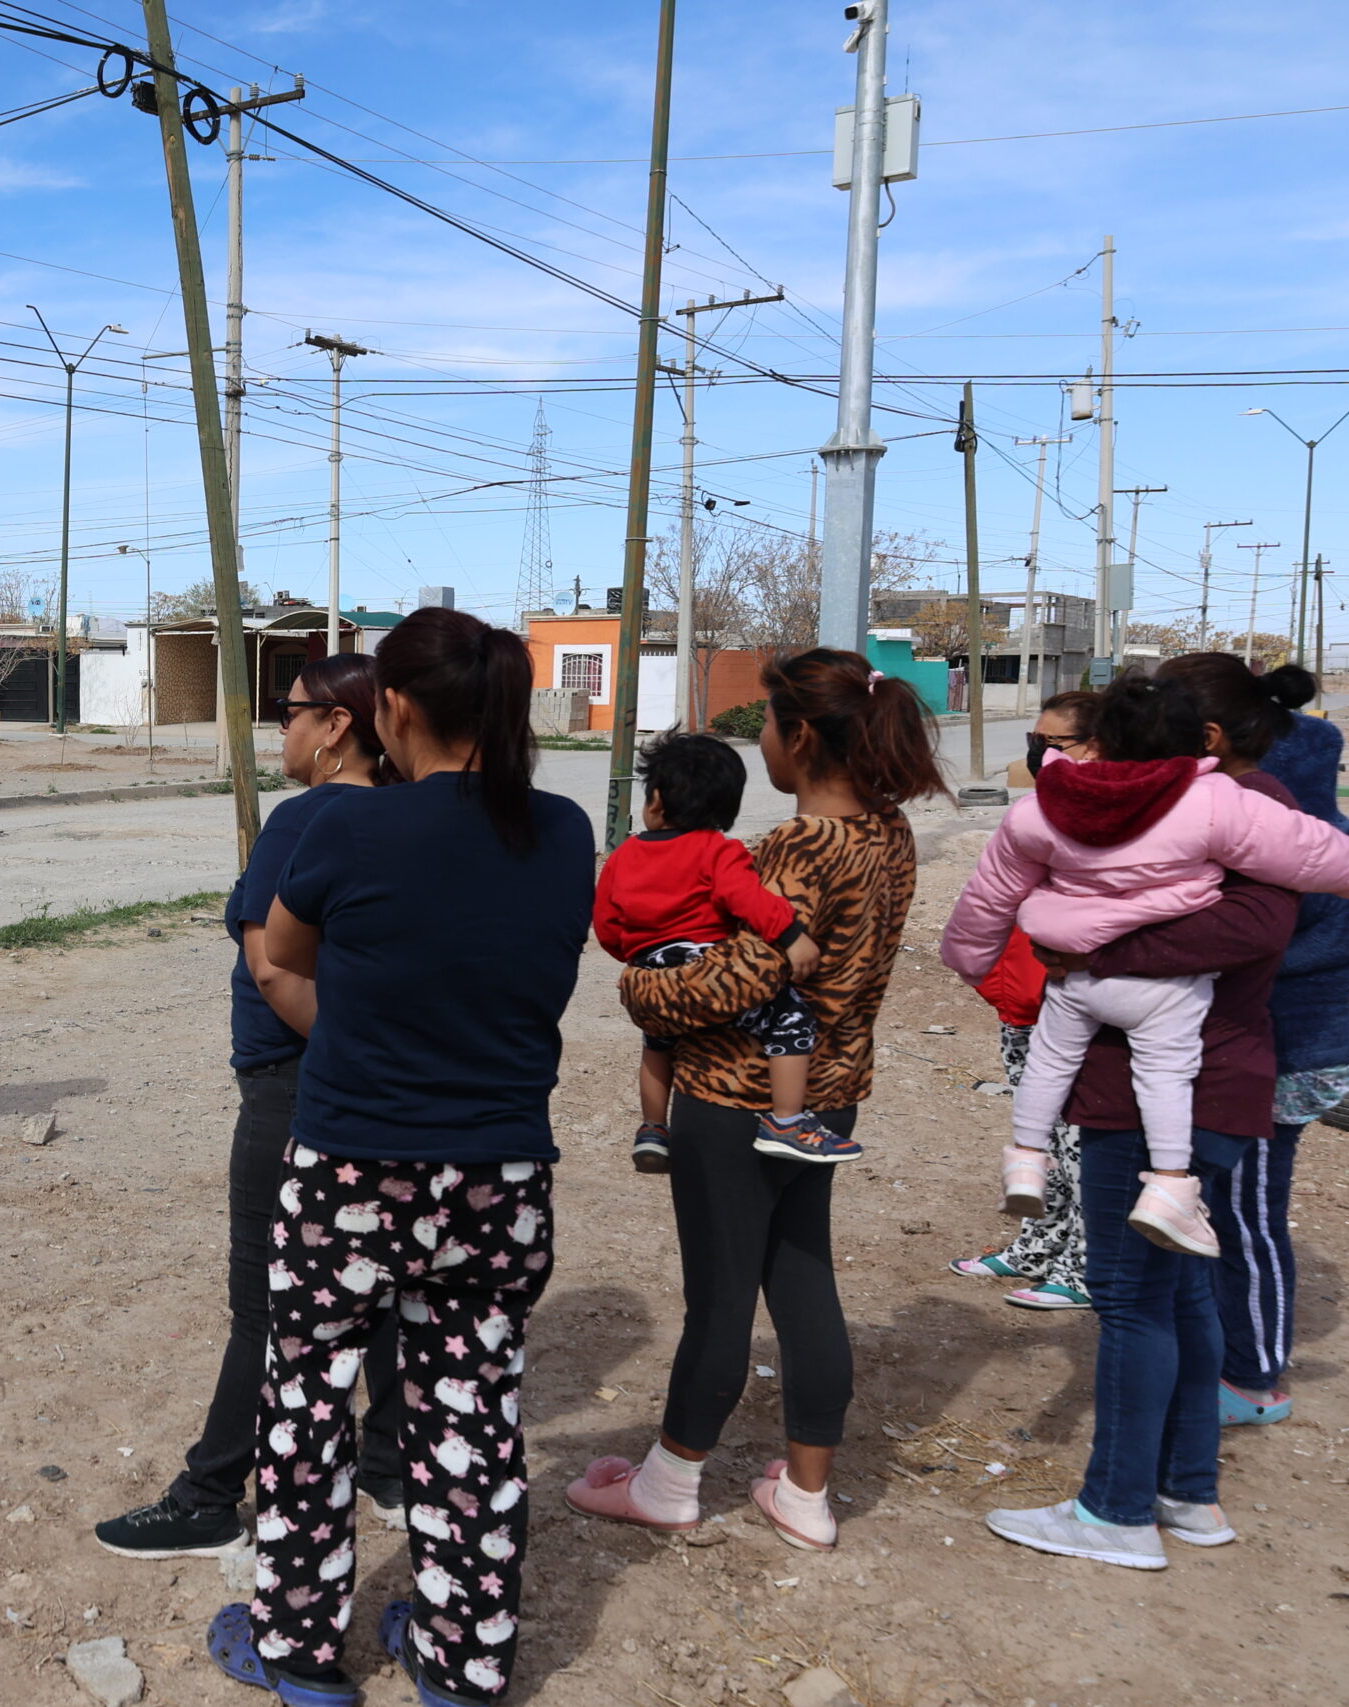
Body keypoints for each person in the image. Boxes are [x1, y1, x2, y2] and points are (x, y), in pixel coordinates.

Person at [203, 609, 593, 1707]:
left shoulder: (345, 826)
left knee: (306, 1399)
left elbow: (281, 960)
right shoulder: (563, 830)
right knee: (473, 1413)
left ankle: (298, 1654)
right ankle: (463, 1663)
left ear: (396, 707)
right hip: (500, 1176)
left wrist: (370, 1045)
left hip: (351, 1166)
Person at [571, 650, 943, 1555]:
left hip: (732, 1102)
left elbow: (734, 979)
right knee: (805, 1279)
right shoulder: (888, 832)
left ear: (801, 735)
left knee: (721, 1298)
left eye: (768, 724)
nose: (762, 741)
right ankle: (807, 1493)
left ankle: (668, 1484)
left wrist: (639, 993)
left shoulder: (793, 849)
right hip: (823, 1099)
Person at [983, 663, 1307, 1567]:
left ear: (1204, 737)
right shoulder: (1217, 806)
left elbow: (1256, 928)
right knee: (1181, 1291)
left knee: (1129, 1300)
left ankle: (1115, 1510)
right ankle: (1186, 1492)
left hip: (1168, 1093)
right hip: (1199, 1084)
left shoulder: (1242, 807)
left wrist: (1089, 945)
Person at [93, 653, 405, 1562]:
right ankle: (388, 1463)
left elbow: (271, 965)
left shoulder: (305, 818)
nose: (282, 728)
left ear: (338, 726)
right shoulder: (404, 817)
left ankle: (209, 1494)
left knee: (266, 1301)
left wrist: (341, 1057)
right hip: (380, 1087)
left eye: (291, 711)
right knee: (381, 1280)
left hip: (297, 1084)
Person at [941, 674, 1349, 1256]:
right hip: (1161, 988)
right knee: (1165, 1075)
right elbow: (1313, 854)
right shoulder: (1214, 802)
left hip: (1074, 978)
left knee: (1048, 1065)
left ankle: (1026, 1163)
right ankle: (1168, 1188)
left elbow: (989, 896)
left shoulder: (1042, 806)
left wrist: (969, 958)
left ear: (1101, 740)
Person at [1155, 654, 1348, 1425]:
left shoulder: (1283, 840)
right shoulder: (1300, 827)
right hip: (1266, 1047)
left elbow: (1244, 943)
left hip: (1283, 1055)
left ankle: (1254, 1375)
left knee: (1246, 1212)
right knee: (1222, 1206)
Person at [593, 732, 824, 1171]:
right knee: (791, 1019)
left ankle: (653, 1129)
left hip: (648, 978)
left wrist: (636, 955)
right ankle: (787, 1121)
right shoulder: (719, 850)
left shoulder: (623, 856)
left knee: (657, 1044)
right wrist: (792, 935)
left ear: (655, 801)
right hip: (706, 975)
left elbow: (606, 925)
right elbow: (748, 900)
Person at [951, 690, 1102, 1311]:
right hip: (1021, 1005)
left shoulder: (1114, 823)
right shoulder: (1039, 812)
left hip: (1073, 1010)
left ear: (1100, 746)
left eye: (1053, 743)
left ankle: (1087, 1266)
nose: (1040, 754)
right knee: (1040, 1137)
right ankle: (1040, 1245)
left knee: (1080, 1140)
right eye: (1035, 742)